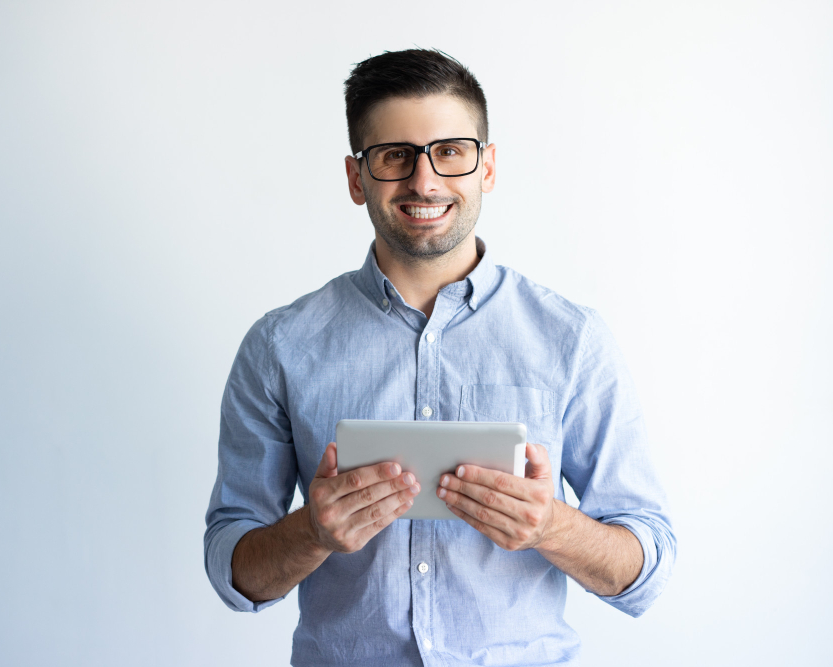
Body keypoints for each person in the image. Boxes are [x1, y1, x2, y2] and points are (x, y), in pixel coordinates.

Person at [204, 48, 676, 667]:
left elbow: (646, 570)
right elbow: (234, 572)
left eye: (450, 151)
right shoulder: (279, 346)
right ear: (356, 178)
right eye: (394, 155)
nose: (424, 181)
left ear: (487, 167)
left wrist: (552, 526)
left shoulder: (573, 339)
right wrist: (311, 533)